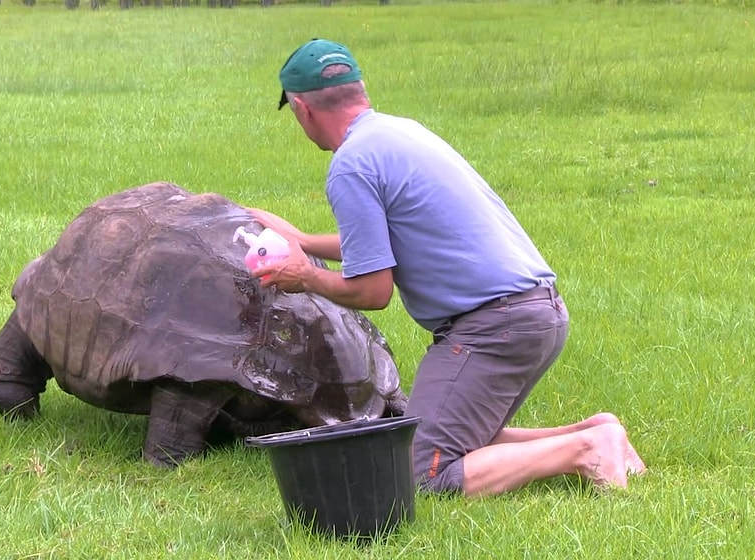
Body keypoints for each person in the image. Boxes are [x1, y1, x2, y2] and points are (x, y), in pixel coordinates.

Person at [248, 38, 646, 497]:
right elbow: (383, 240)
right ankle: (597, 431)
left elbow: (373, 291)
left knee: (421, 472)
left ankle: (587, 449)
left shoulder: (351, 165)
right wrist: (300, 240)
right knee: (451, 440)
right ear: (360, 90)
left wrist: (305, 277)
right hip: (535, 313)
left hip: (494, 328)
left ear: (302, 108)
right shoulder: (399, 134)